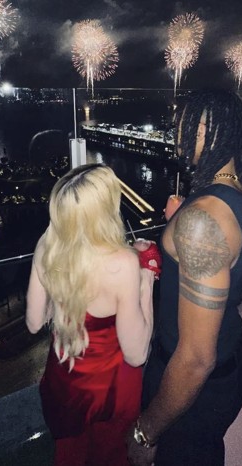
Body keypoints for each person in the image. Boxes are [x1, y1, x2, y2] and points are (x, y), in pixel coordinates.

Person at [127, 90, 242, 466]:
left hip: (193, 383)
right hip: (235, 360)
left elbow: (195, 359)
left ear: (208, 131)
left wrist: (145, 433)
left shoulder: (202, 222)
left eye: (184, 125)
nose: (177, 134)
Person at [25, 163, 161, 466]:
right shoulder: (122, 263)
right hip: (108, 391)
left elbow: (34, 322)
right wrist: (146, 278)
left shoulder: (47, 246)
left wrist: (65, 295)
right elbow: (137, 354)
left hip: (63, 385)